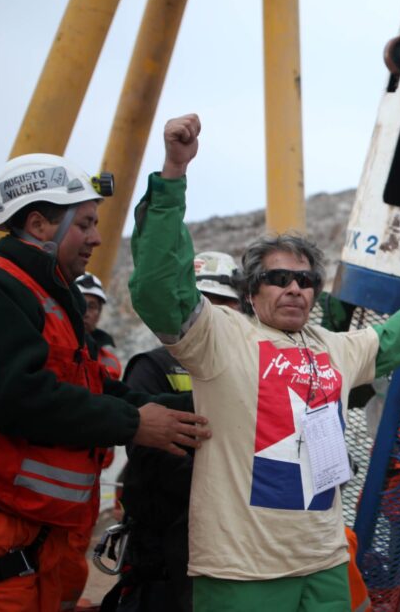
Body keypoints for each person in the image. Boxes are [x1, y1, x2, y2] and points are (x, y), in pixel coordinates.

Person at [129, 114, 400, 612]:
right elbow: (159, 289)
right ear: (250, 290)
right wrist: (174, 173)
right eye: (279, 278)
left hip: (325, 563)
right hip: (242, 571)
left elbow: (396, 337)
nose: (294, 287)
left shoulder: (332, 346)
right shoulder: (220, 337)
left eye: (305, 280)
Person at [0, 153, 210, 611]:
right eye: (84, 224)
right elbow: (17, 396)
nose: (97, 238)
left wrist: (197, 407)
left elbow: (97, 388)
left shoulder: (53, 300)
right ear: (40, 225)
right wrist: (133, 423)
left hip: (43, 542)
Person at [116, 250, 243, 612]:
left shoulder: (250, 370)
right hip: (170, 549)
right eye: (209, 302)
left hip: (236, 544)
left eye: (227, 303)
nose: (219, 313)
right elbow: (150, 455)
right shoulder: (152, 366)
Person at [76, 271, 124, 378]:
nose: (85, 313)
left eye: (92, 306)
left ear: (99, 314)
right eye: (80, 304)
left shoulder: (111, 362)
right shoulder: (51, 343)